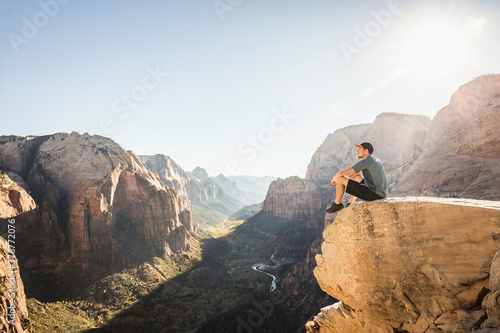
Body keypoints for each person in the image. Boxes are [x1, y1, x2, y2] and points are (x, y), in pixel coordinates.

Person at [326, 142, 388, 214]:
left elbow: (341, 173)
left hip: (374, 194)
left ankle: (337, 204)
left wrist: (335, 180)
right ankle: (350, 203)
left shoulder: (366, 162)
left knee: (340, 178)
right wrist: (345, 181)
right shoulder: (374, 160)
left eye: (359, 149)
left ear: (366, 151)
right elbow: (357, 173)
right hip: (382, 193)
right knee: (357, 177)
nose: (357, 151)